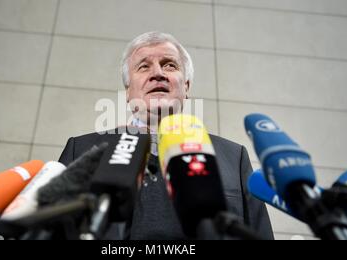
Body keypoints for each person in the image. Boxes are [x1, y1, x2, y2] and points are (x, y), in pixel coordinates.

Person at [59, 31, 274, 240]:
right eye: (144, 66)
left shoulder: (233, 157)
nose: (158, 73)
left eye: (169, 65)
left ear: (186, 86)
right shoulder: (81, 149)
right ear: (128, 91)